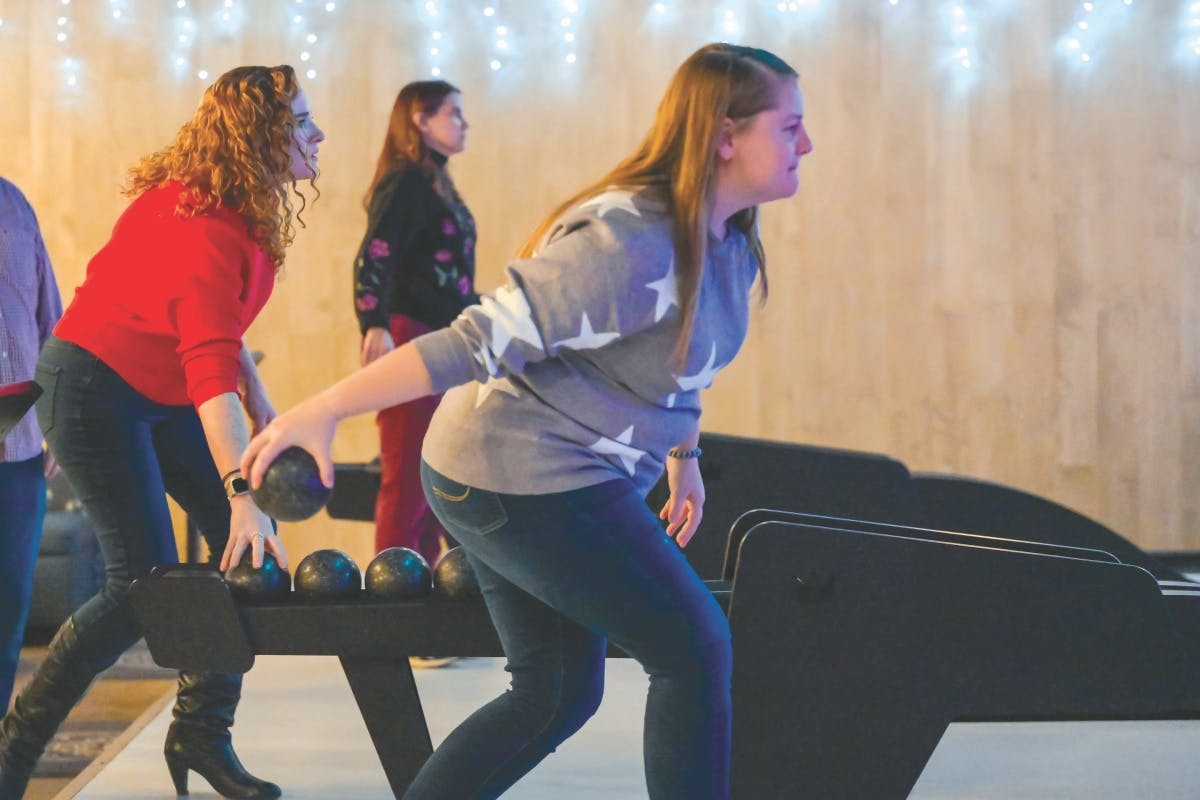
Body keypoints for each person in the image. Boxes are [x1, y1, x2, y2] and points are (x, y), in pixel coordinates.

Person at [245, 43, 811, 800]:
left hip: (548, 470)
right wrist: (322, 409)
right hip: (514, 474)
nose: (807, 144)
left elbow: (683, 362)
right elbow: (473, 341)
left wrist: (686, 456)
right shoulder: (631, 242)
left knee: (557, 692)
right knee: (696, 646)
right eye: (792, 125)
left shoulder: (730, 237)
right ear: (725, 136)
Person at [0, 65, 324, 800]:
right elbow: (208, 372)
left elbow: (220, 329)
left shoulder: (236, 204)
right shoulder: (201, 227)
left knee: (245, 558)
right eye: (302, 123)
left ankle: (200, 733)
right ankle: (13, 747)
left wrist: (263, 400)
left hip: (160, 386)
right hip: (90, 390)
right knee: (140, 585)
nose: (317, 134)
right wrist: (242, 486)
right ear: (261, 139)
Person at [353, 80, 478, 571]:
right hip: (411, 336)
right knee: (406, 474)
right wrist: (375, 323)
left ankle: (431, 601)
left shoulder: (435, 182)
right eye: (454, 113)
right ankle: (395, 605)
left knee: (439, 472)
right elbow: (375, 253)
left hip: (443, 340)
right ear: (420, 120)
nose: (464, 123)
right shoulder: (405, 180)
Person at [0, 178, 63, 714]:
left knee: (8, 605)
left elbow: (49, 319)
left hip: (16, 445)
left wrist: (55, 417)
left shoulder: (15, 203)